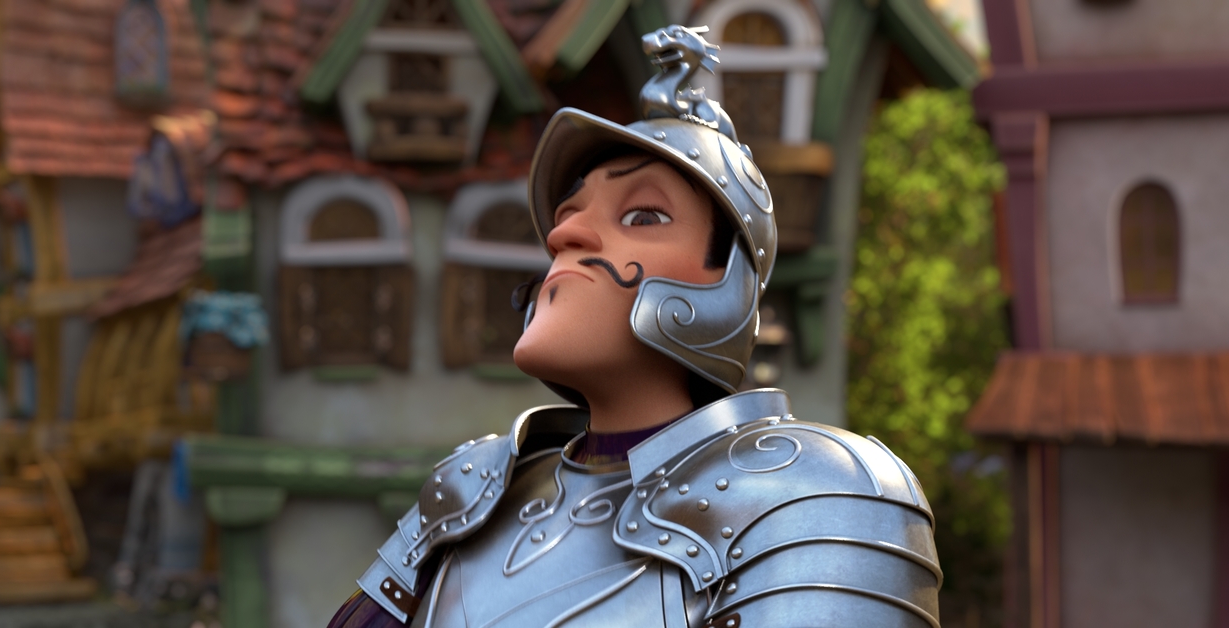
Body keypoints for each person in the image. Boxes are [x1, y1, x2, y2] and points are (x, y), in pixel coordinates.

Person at [329, 24, 940, 628]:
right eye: (568, 213)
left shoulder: (819, 494)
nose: (564, 234)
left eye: (643, 216)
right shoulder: (469, 494)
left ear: (726, 283)